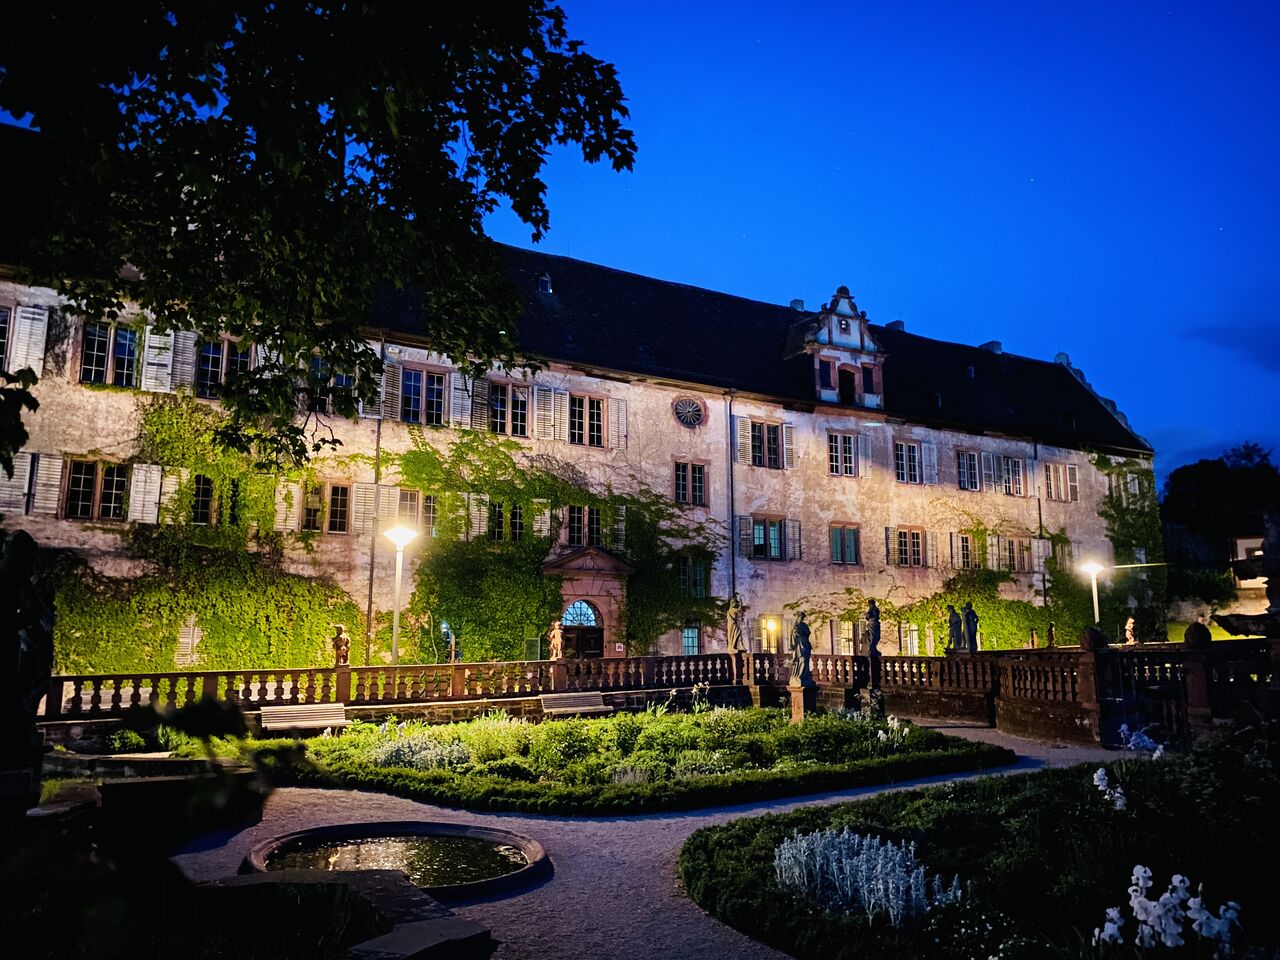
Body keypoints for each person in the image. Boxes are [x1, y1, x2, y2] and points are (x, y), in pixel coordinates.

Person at [789, 612, 812, 685]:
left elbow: (808, 632)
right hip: (799, 644)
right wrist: (797, 633)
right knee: (802, 659)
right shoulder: (795, 625)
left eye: (803, 617)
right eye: (801, 616)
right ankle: (799, 675)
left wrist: (804, 633)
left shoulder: (804, 625)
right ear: (798, 617)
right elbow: (794, 635)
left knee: (806, 660)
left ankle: (805, 675)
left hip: (805, 643)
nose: (802, 618)